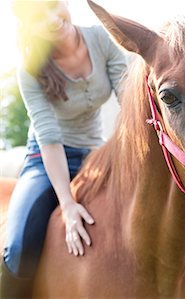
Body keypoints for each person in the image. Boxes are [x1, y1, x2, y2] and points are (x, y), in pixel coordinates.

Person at [1, 1, 127, 297]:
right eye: (38, 18)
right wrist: (68, 204)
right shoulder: (30, 70)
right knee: (19, 247)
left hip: (96, 155)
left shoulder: (100, 39)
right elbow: (49, 139)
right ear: (29, 28)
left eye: (53, 6)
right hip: (45, 161)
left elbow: (129, 101)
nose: (52, 19)